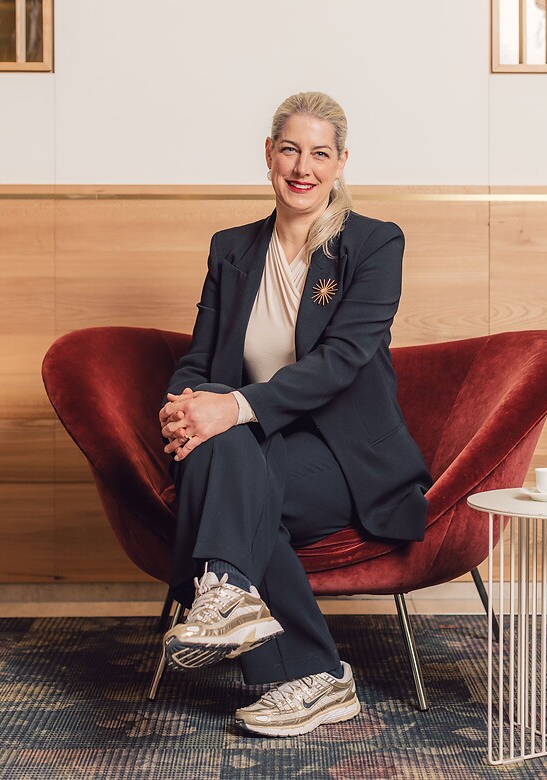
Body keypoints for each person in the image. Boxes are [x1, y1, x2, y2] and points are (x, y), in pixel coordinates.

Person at [158, 91, 432, 737]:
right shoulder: (231, 249)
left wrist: (231, 408)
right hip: (253, 445)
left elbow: (342, 361)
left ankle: (228, 594)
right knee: (222, 447)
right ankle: (303, 661)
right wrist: (183, 408)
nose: (303, 168)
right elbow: (200, 359)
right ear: (268, 154)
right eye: (290, 150)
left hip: (345, 460)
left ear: (341, 163)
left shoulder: (372, 243)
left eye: (319, 153)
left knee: (227, 461)